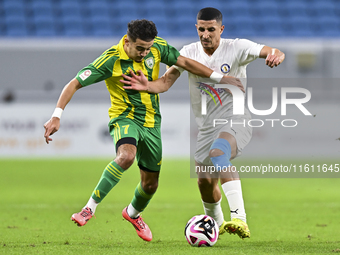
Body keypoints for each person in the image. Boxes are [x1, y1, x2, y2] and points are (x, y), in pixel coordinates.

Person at [43, 19, 242, 242]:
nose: (144, 53)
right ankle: (89, 208)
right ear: (127, 41)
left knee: (150, 184)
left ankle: (132, 214)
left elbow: (185, 62)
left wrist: (221, 78)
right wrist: (56, 116)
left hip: (152, 123)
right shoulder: (110, 60)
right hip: (124, 117)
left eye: (147, 49)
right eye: (140, 48)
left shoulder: (156, 47)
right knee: (126, 156)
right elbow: (74, 83)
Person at [120, 8, 285, 239]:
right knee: (204, 182)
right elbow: (166, 82)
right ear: (196, 28)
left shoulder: (237, 47)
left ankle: (240, 219)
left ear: (221, 29)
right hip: (207, 127)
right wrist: (146, 85)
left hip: (236, 118)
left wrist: (276, 54)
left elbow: (269, 50)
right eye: (201, 29)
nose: (205, 34)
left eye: (210, 29)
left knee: (219, 153)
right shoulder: (188, 52)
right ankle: (216, 225)